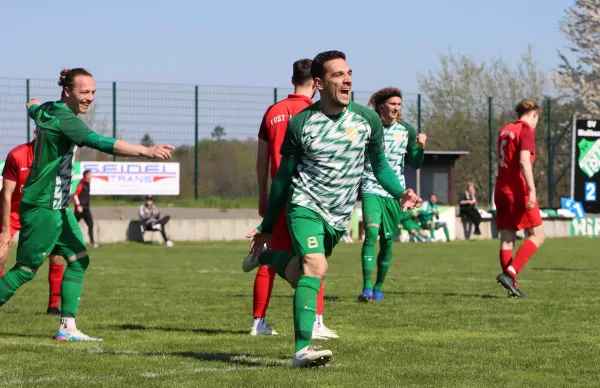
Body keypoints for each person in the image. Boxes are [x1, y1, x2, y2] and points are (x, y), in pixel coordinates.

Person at [243, 51, 421, 368]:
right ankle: (301, 351)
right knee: (315, 266)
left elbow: (380, 167)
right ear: (319, 83)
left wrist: (400, 191)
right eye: (338, 74)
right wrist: (269, 224)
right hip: (304, 206)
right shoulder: (301, 123)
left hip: (338, 217)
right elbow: (284, 177)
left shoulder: (367, 121)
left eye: (349, 73)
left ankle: (267, 257)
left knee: (301, 273)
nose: (347, 79)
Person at [0, 68, 174, 341]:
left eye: (93, 92)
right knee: (25, 270)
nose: (90, 98)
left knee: (80, 260)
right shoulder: (67, 121)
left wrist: (32, 103)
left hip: (57, 207)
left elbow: (34, 107)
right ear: (68, 92)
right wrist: (146, 151)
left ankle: (67, 328)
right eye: (84, 92)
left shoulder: (48, 109)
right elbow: (100, 142)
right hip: (44, 206)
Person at [253, 59, 337, 339]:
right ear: (317, 83)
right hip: (309, 196)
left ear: (291, 81)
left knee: (273, 259)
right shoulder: (318, 111)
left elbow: (262, 160)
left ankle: (257, 323)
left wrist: (263, 197)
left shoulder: (273, 111)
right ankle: (316, 323)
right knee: (315, 256)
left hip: (279, 194)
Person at [358, 87, 426, 302]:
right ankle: (366, 288)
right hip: (370, 188)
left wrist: (421, 147)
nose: (397, 108)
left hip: (396, 193)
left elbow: (415, 163)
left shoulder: (407, 130)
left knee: (387, 241)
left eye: (399, 104)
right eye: (392, 104)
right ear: (381, 106)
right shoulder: (369, 127)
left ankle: (379, 288)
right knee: (370, 234)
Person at [0, 131, 65, 315]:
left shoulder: (55, 157)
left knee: (57, 253)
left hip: (39, 212)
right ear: (35, 133)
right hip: (12, 212)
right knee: (1, 254)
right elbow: (6, 194)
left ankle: (53, 305)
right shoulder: (17, 155)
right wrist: (5, 230)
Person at [495, 100, 545, 298]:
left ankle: (511, 286)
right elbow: (524, 161)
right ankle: (510, 273)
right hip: (518, 190)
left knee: (507, 239)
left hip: (501, 189)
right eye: (537, 119)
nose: (536, 123)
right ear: (533, 114)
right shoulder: (526, 131)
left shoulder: (505, 130)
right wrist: (532, 189)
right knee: (538, 235)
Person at [73, 169, 98, 248]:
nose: (91, 176)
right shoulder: (81, 184)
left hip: (86, 208)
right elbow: (75, 195)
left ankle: (92, 243)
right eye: (90, 174)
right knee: (72, 225)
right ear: (86, 175)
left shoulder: (88, 184)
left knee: (91, 224)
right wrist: (78, 205)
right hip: (80, 209)